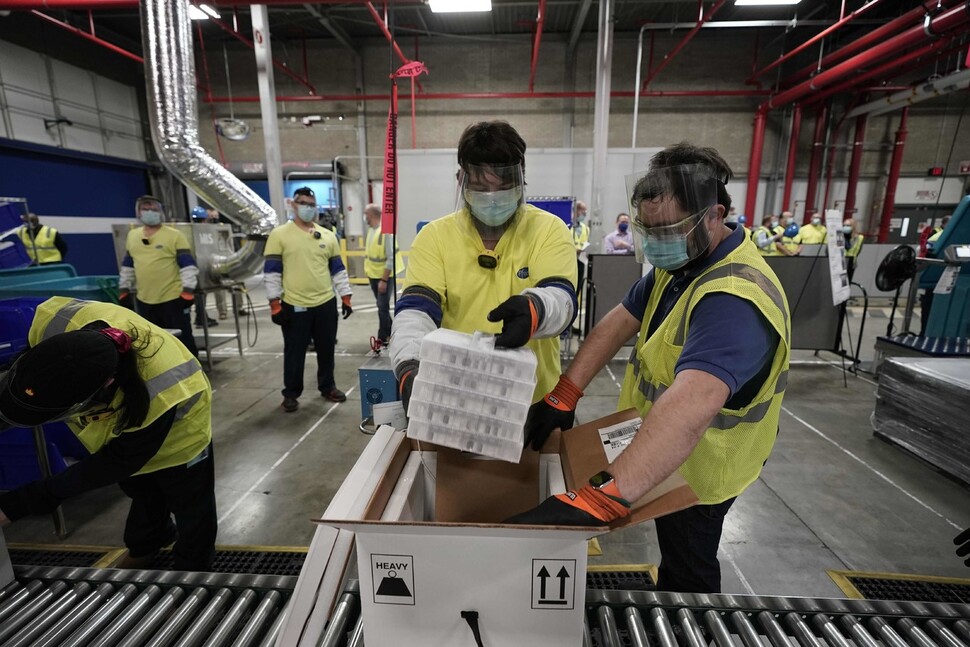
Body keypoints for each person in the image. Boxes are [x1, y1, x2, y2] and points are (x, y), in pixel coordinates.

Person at [506, 142, 791, 595]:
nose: (658, 241)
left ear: (715, 215)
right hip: (662, 453)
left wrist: (604, 497)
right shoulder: (682, 263)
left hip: (701, 468)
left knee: (689, 563)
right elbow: (619, 321)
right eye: (649, 230)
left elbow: (691, 406)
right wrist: (565, 393)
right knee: (675, 553)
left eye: (670, 229)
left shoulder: (735, 299)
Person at [0, 297, 216, 571]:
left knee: (192, 508)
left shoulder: (158, 389)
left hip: (181, 437)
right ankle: (147, 546)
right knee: (142, 491)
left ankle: (193, 570)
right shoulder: (52, 322)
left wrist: (19, 504)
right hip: (122, 437)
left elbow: (114, 462)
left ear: (103, 388)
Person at [389, 120, 577, 409]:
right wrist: (409, 367)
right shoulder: (434, 237)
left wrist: (536, 309)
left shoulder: (549, 230)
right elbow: (416, 311)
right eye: (479, 188)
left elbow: (561, 298)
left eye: (503, 188)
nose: (491, 200)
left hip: (534, 401)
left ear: (522, 179)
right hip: (456, 399)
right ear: (460, 180)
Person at [265, 187, 353, 412]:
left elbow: (338, 270)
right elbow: (272, 272)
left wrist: (346, 296)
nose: (308, 208)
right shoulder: (279, 235)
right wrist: (275, 304)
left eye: (312, 204)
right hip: (295, 305)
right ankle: (291, 393)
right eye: (303, 203)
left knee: (326, 350)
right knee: (294, 352)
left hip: (325, 304)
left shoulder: (327, 235)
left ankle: (328, 386)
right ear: (293, 205)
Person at [118, 196, 199, 358]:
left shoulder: (175, 236)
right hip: (145, 300)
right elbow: (128, 265)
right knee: (153, 343)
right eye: (145, 209)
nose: (149, 212)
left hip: (172, 299)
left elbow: (188, 266)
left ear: (161, 213)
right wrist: (124, 288)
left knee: (183, 342)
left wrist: (188, 291)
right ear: (138, 212)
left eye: (154, 209)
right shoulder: (132, 236)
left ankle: (193, 374)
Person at [364, 203, 402, 347]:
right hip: (374, 275)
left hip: (384, 277)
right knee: (382, 307)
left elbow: (390, 258)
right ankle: (393, 331)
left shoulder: (385, 232)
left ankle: (383, 336)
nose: (365, 217)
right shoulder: (371, 231)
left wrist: (384, 280)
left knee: (382, 307)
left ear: (372, 215)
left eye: (366, 214)